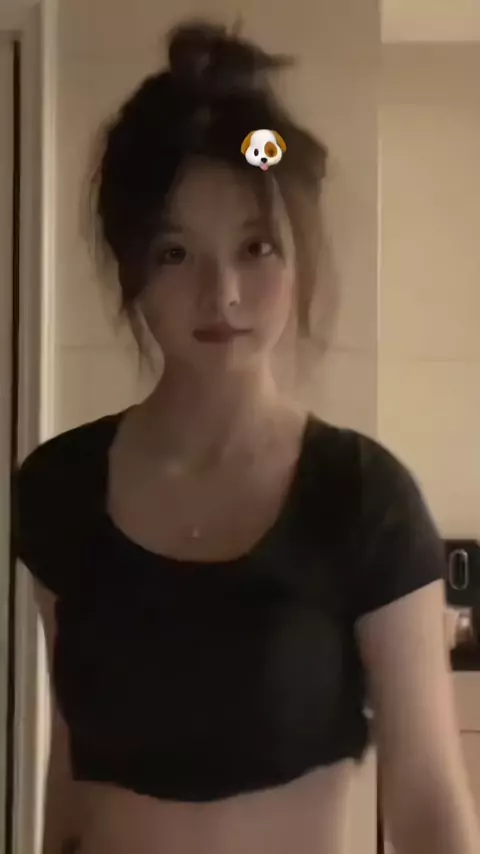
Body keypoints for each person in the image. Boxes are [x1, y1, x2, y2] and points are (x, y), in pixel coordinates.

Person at [13, 19, 480, 854]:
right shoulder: (58, 489)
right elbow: (71, 769)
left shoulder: (362, 499)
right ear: (132, 270)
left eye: (255, 247)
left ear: (299, 260)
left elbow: (428, 807)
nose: (221, 292)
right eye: (175, 253)